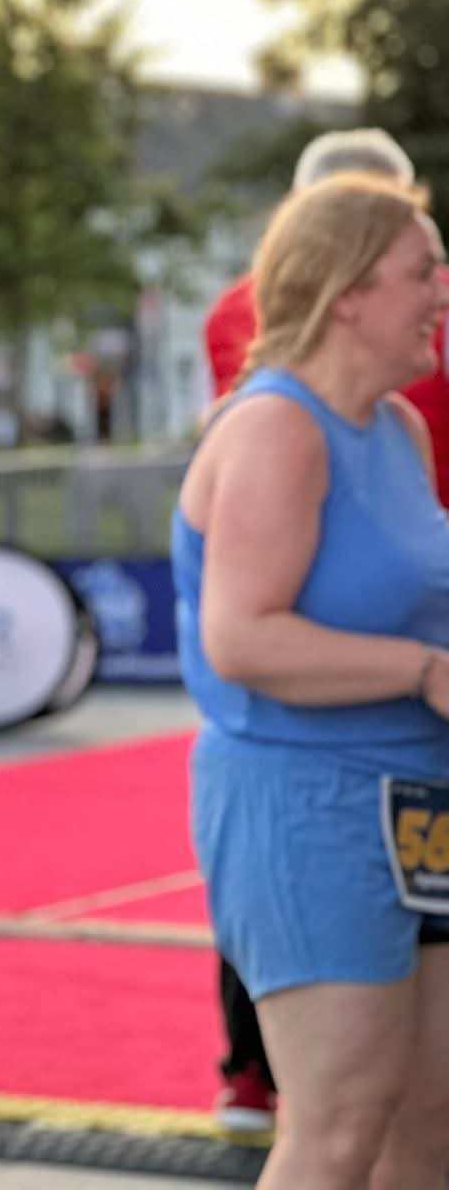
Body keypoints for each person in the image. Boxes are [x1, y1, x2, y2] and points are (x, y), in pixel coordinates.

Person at [175, 171, 449, 1188]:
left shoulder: (397, 428)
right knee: (335, 1130)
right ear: (347, 291)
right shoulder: (273, 430)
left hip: (419, 805)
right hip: (307, 809)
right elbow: (242, 639)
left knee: (427, 1123)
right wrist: (423, 671)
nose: (442, 292)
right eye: (423, 270)